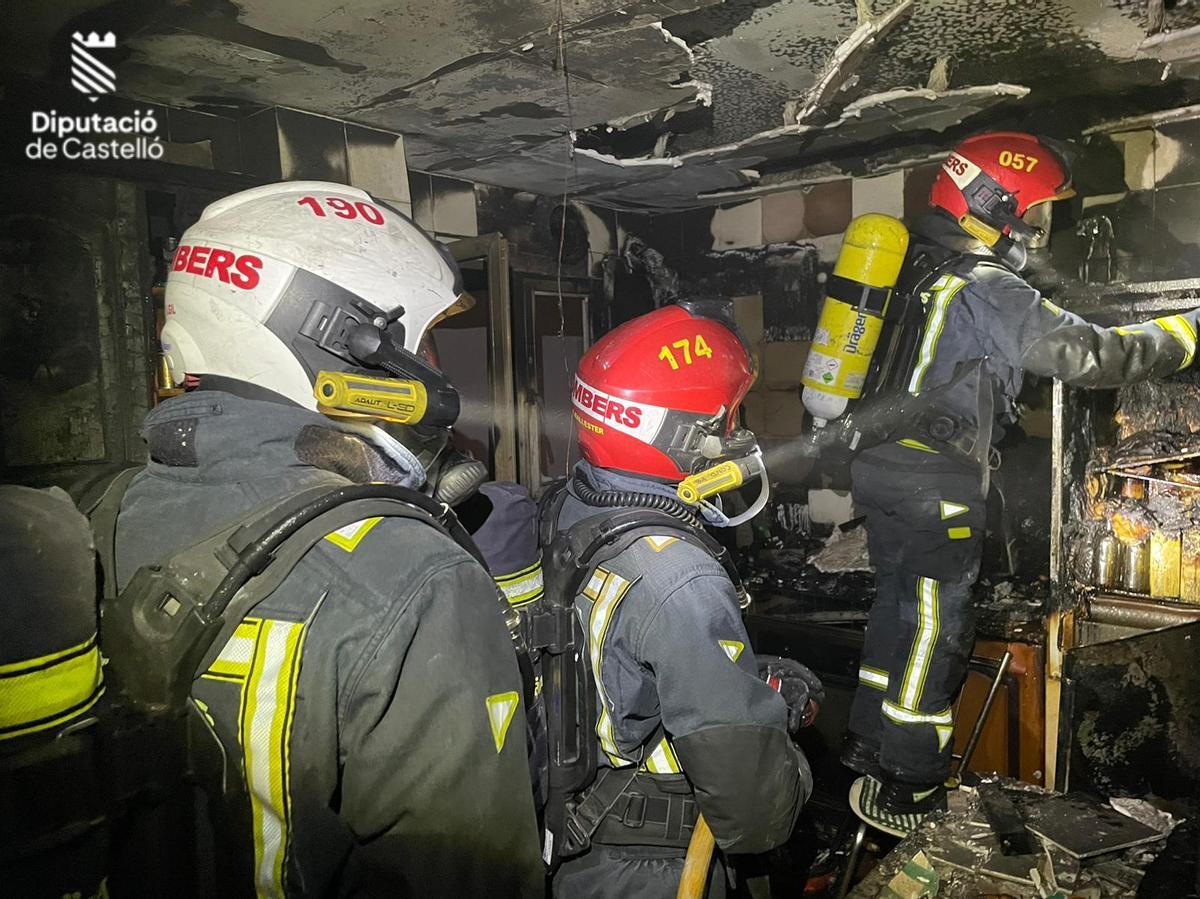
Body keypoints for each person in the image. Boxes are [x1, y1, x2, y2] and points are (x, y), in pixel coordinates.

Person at [112, 181, 544, 896]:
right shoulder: (414, 576)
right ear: (345, 342)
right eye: (419, 345)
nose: (430, 372)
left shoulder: (102, 516)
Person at [845, 131, 1200, 835]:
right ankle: (909, 786)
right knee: (936, 626)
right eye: (1032, 213)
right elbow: (1091, 356)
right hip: (932, 474)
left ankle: (873, 746)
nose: (1036, 229)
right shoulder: (986, 284)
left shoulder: (926, 267)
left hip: (883, 465)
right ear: (995, 206)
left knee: (899, 608)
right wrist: (1190, 331)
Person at [547, 302, 819, 898]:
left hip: (569, 845)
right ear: (681, 438)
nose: (737, 436)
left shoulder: (566, 510)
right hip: (649, 870)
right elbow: (754, 815)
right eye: (726, 422)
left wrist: (742, 681)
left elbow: (615, 657)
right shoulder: (681, 579)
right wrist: (783, 740)